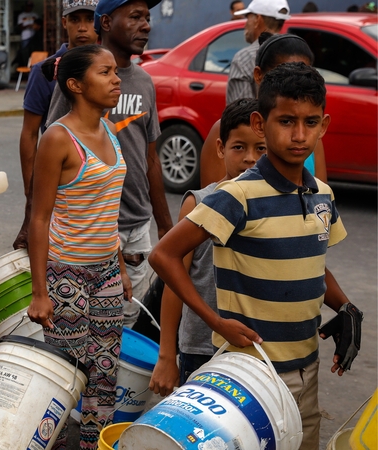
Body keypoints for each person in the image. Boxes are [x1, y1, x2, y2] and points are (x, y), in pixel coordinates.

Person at [149, 62, 363, 450]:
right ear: (261, 123)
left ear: (324, 125)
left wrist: (346, 307)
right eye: (286, 121)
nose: (299, 135)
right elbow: (163, 256)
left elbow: (312, 263)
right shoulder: (236, 196)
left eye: (311, 122)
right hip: (246, 372)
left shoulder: (323, 196)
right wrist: (216, 320)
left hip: (306, 368)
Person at [28, 44, 130, 450]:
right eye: (105, 72)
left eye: (115, 71)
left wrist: (120, 267)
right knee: (66, 375)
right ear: (75, 84)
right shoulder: (57, 138)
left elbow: (108, 211)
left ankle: (93, 446)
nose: (116, 79)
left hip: (106, 269)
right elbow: (39, 217)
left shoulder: (108, 128)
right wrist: (40, 293)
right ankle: (38, 441)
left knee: (105, 374)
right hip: (66, 274)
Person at [47, 0, 173, 328]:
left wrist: (164, 225)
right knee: (76, 329)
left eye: (147, 18)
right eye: (134, 17)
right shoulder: (79, 75)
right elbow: (50, 155)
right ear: (105, 22)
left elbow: (150, 159)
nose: (145, 25)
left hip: (136, 226)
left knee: (124, 326)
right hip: (88, 231)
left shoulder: (145, 82)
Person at [148, 98, 266, 396]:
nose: (250, 158)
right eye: (239, 147)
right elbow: (174, 283)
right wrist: (166, 355)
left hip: (260, 348)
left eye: (261, 149)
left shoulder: (277, 204)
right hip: (202, 348)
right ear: (220, 149)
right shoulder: (199, 203)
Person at [13, 0, 99, 250]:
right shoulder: (44, 72)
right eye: (75, 20)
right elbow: (29, 135)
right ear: (64, 23)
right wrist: (33, 196)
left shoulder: (109, 70)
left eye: (88, 20)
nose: (82, 28)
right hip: (61, 191)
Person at [201, 33, 326, 186]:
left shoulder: (307, 136)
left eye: (303, 74)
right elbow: (210, 199)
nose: (294, 83)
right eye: (282, 74)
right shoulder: (227, 129)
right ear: (259, 75)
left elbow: (320, 199)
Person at [226, 0, 289, 104]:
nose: (245, 24)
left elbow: (241, 115)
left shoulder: (244, 58)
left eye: (248, 18)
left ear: (257, 20)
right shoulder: (296, 53)